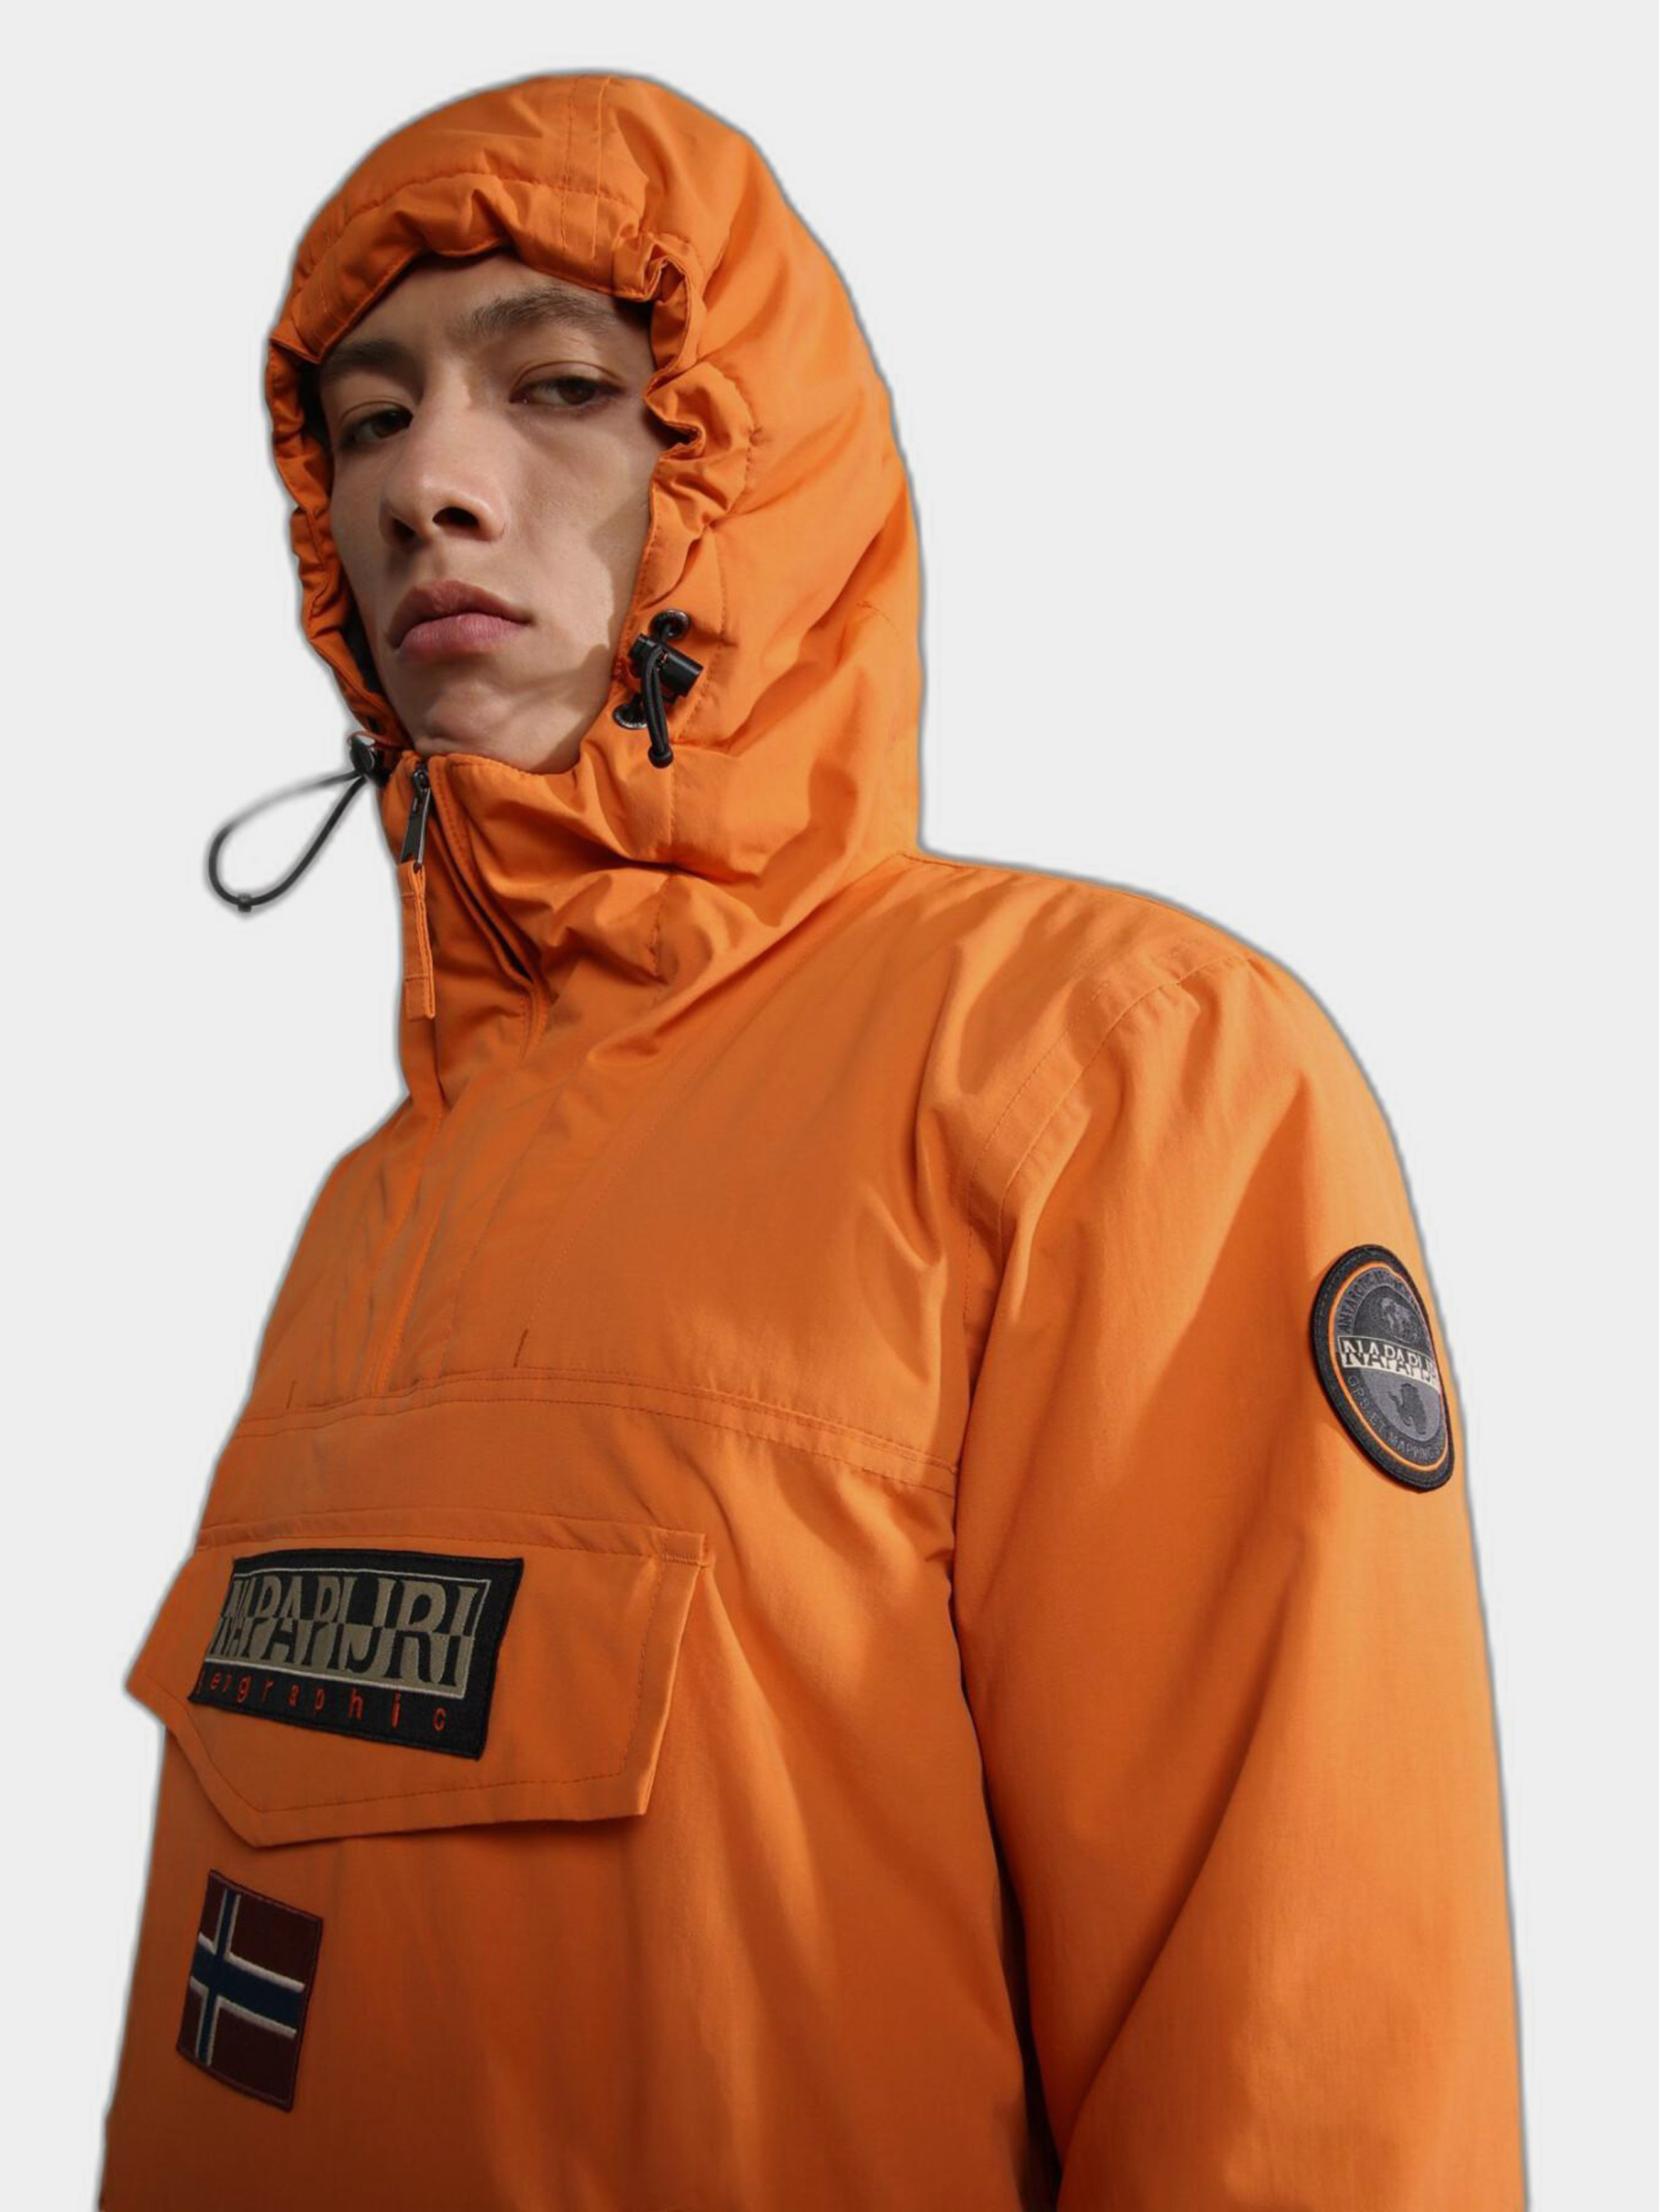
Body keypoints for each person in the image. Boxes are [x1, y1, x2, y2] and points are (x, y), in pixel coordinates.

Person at [99, 70, 1526, 2210]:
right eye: (368, 421)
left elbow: (1304, 2074)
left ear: (746, 467)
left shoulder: (1111, 1076)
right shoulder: (366, 1215)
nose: (427, 487)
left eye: (558, 387)